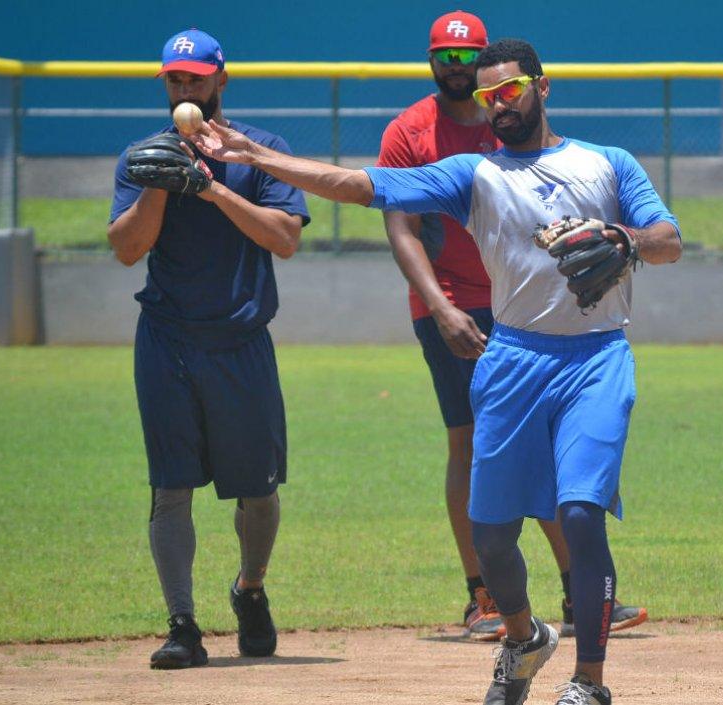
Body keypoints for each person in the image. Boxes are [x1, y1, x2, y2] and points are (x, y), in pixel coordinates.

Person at [191, 36, 681, 705]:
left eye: (509, 90)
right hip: (512, 357)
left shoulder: (608, 163)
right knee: (491, 533)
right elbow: (361, 185)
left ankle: (589, 681)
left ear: (543, 87)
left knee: (579, 510)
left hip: (595, 356)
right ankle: (523, 637)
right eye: (487, 97)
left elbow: (669, 240)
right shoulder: (472, 174)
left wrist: (627, 240)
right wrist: (257, 156)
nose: (497, 105)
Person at [377, 11, 647, 643]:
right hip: (452, 304)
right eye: (446, 55)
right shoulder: (411, 130)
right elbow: (399, 221)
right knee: (468, 442)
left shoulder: (515, 130)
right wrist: (440, 308)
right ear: (431, 59)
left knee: (559, 453)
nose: (458, 66)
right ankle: (482, 594)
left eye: (467, 56)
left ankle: (579, 586)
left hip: (531, 304)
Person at [107, 28, 310, 669]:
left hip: (240, 339)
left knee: (258, 490)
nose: (185, 87)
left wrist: (213, 185)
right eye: (175, 78)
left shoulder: (261, 151)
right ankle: (182, 624)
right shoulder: (142, 158)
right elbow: (126, 248)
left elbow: (285, 239)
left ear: (222, 79)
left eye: (196, 77)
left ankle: (250, 589)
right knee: (171, 487)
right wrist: (163, 180)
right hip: (167, 340)